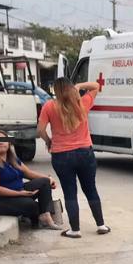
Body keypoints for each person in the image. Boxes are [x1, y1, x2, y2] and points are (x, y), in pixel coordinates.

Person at [37, 77, 109, 238]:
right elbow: (97, 86)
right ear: (71, 89)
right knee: (91, 189)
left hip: (61, 155)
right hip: (85, 153)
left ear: (55, 91)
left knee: (70, 192)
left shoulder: (49, 106)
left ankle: (75, 230)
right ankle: (101, 225)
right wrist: (79, 86)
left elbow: (40, 130)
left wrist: (49, 142)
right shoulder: (82, 103)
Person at [0, 130, 61, 229]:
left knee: (44, 182)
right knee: (31, 205)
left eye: (3, 140)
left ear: (9, 143)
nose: (0, 142)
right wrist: (20, 194)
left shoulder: (12, 159)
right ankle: (37, 215)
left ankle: (45, 215)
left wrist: (49, 178)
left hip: (16, 192)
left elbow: (28, 173)